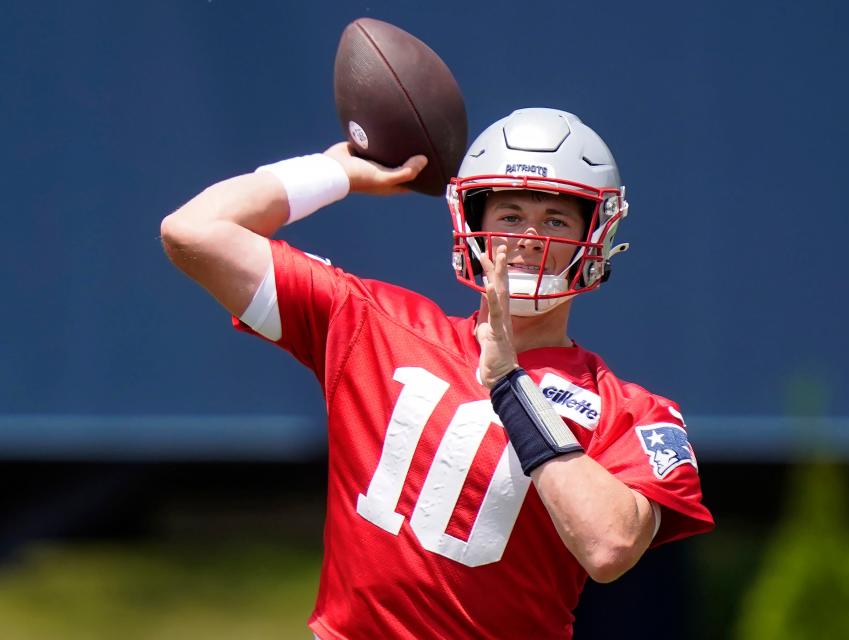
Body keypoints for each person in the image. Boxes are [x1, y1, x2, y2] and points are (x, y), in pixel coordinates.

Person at [161, 108, 714, 639]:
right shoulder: (375, 325)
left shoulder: (631, 410)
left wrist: (509, 383)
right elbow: (194, 231)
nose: (528, 238)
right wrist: (335, 172)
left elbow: (610, 548)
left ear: (595, 236)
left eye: (556, 219)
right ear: (473, 223)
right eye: (511, 216)